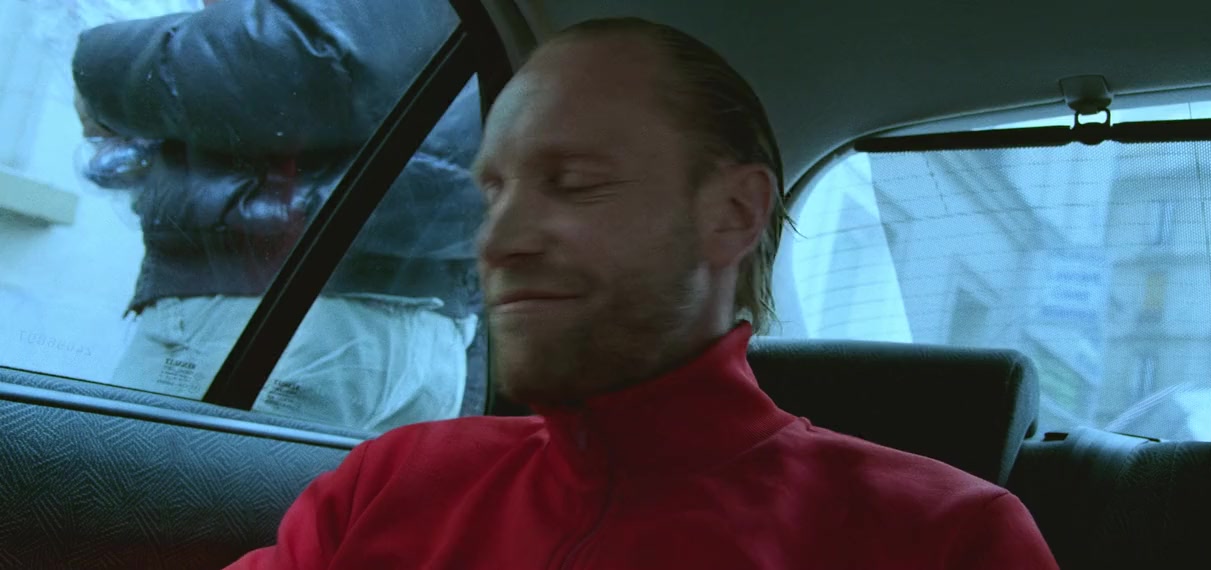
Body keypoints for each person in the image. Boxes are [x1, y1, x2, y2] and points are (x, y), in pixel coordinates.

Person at [227, 17, 1059, 568]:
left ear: (733, 213)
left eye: (575, 183)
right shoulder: (384, 485)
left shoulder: (943, 541)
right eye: (494, 191)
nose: (499, 240)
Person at [71, 0, 486, 430]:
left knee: (140, 469)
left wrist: (101, 71)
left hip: (278, 310)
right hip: (402, 311)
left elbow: (308, 56)